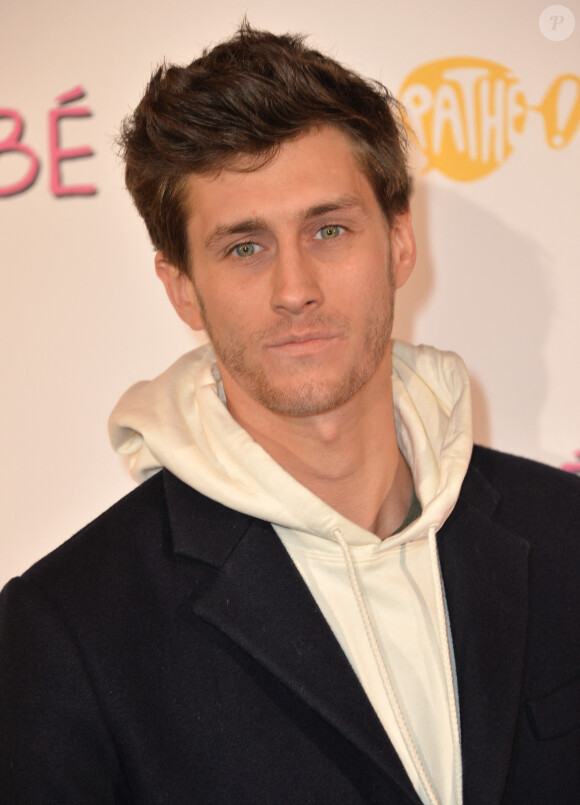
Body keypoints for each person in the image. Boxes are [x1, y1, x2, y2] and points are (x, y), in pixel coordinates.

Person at [1, 23, 578, 805]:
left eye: (329, 229)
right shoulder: (66, 630)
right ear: (180, 287)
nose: (294, 287)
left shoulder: (566, 531)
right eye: (245, 247)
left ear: (400, 243)